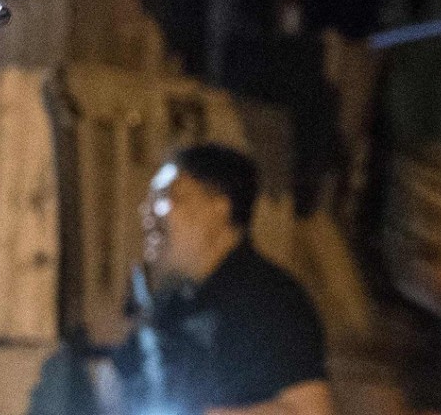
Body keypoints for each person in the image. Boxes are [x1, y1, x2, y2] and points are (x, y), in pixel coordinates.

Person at [114, 143, 336, 415]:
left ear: (219, 208)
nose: (147, 211)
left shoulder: (273, 301)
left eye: (167, 198)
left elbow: (310, 410)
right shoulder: (170, 304)